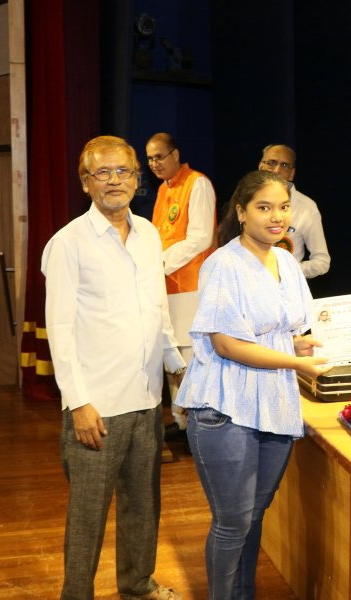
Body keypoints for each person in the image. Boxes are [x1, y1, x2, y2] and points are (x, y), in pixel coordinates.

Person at [174, 170, 330, 599]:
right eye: (264, 207)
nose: (276, 216)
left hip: (273, 402)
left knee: (254, 514)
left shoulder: (286, 262)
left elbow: (279, 332)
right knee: (232, 522)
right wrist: (297, 363)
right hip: (225, 407)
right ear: (241, 212)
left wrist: (299, 346)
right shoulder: (223, 264)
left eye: (283, 207)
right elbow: (227, 344)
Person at [42, 135, 185, 600]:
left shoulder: (149, 234)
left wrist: (174, 366)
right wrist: (78, 402)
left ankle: (137, 586)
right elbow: (60, 328)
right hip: (97, 407)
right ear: (85, 182)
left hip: (146, 398)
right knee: (88, 513)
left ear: (137, 178)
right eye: (102, 172)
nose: (114, 181)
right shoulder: (68, 243)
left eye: (123, 171)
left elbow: (157, 309)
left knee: (143, 503)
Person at [146, 132, 217, 434]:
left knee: (189, 353)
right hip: (165, 284)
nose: (154, 163)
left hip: (191, 285)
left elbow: (201, 237)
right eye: (150, 159)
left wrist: (159, 263)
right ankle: (179, 419)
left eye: (159, 156)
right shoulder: (164, 189)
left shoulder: (197, 183)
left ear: (175, 154)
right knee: (171, 350)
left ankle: (196, 424)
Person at [257, 144, 331, 279]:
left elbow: (322, 262)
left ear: (291, 174)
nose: (276, 170)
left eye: (284, 165)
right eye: (271, 163)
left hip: (286, 287)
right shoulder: (245, 199)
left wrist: (287, 271)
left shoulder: (306, 208)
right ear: (261, 166)